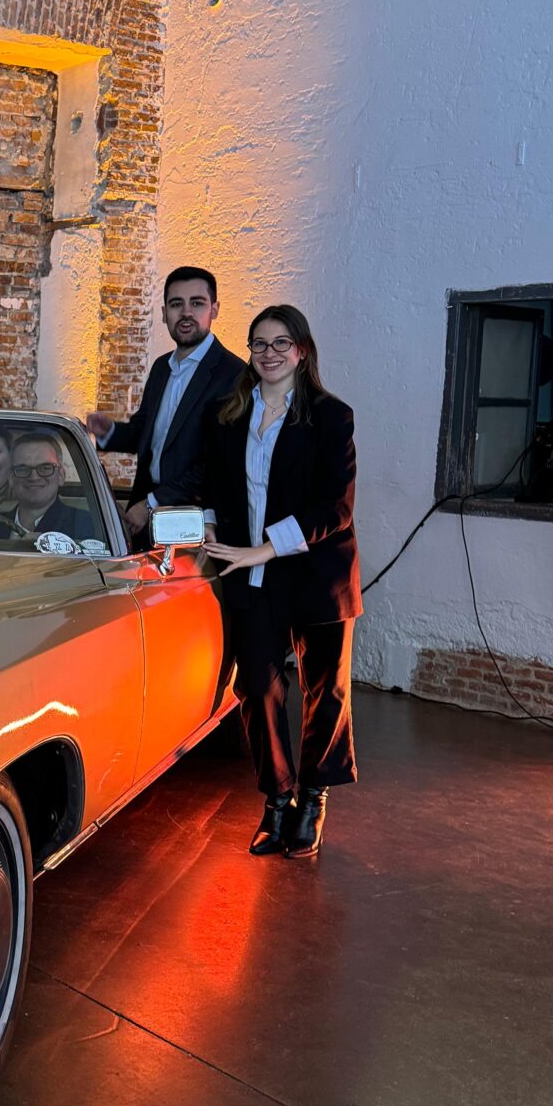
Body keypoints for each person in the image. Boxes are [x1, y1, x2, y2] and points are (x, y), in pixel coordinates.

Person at [200, 305, 361, 859]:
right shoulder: (230, 414)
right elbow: (216, 486)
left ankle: (313, 799)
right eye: (259, 344)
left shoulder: (332, 416)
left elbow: (335, 509)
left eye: (281, 343)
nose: (269, 354)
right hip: (255, 574)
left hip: (317, 572)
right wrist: (209, 525)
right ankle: (277, 799)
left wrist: (261, 549)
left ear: (303, 351)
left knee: (326, 692)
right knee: (258, 688)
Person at [85, 266, 243, 541]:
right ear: (163, 313)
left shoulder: (234, 375)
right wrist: (110, 432)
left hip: (195, 524)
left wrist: (151, 504)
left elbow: (217, 464)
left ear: (214, 309)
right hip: (145, 514)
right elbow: (147, 432)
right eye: (176, 304)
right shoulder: (161, 368)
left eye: (197, 303)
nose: (186, 313)